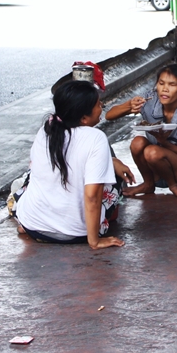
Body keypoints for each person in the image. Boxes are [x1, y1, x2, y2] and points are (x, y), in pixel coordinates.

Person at [12, 80, 128, 248]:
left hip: (32, 226)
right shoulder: (96, 138)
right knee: (115, 179)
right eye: (97, 104)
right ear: (84, 118)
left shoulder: (47, 129)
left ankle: (28, 221)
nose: (101, 106)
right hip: (77, 234)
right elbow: (92, 196)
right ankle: (99, 227)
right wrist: (94, 241)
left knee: (29, 176)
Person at [107, 63, 177, 200]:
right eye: (161, 83)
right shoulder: (150, 101)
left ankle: (173, 185)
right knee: (137, 142)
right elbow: (109, 116)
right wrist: (129, 105)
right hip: (154, 165)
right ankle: (148, 183)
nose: (165, 89)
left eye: (172, 85)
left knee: (152, 151)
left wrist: (162, 141)